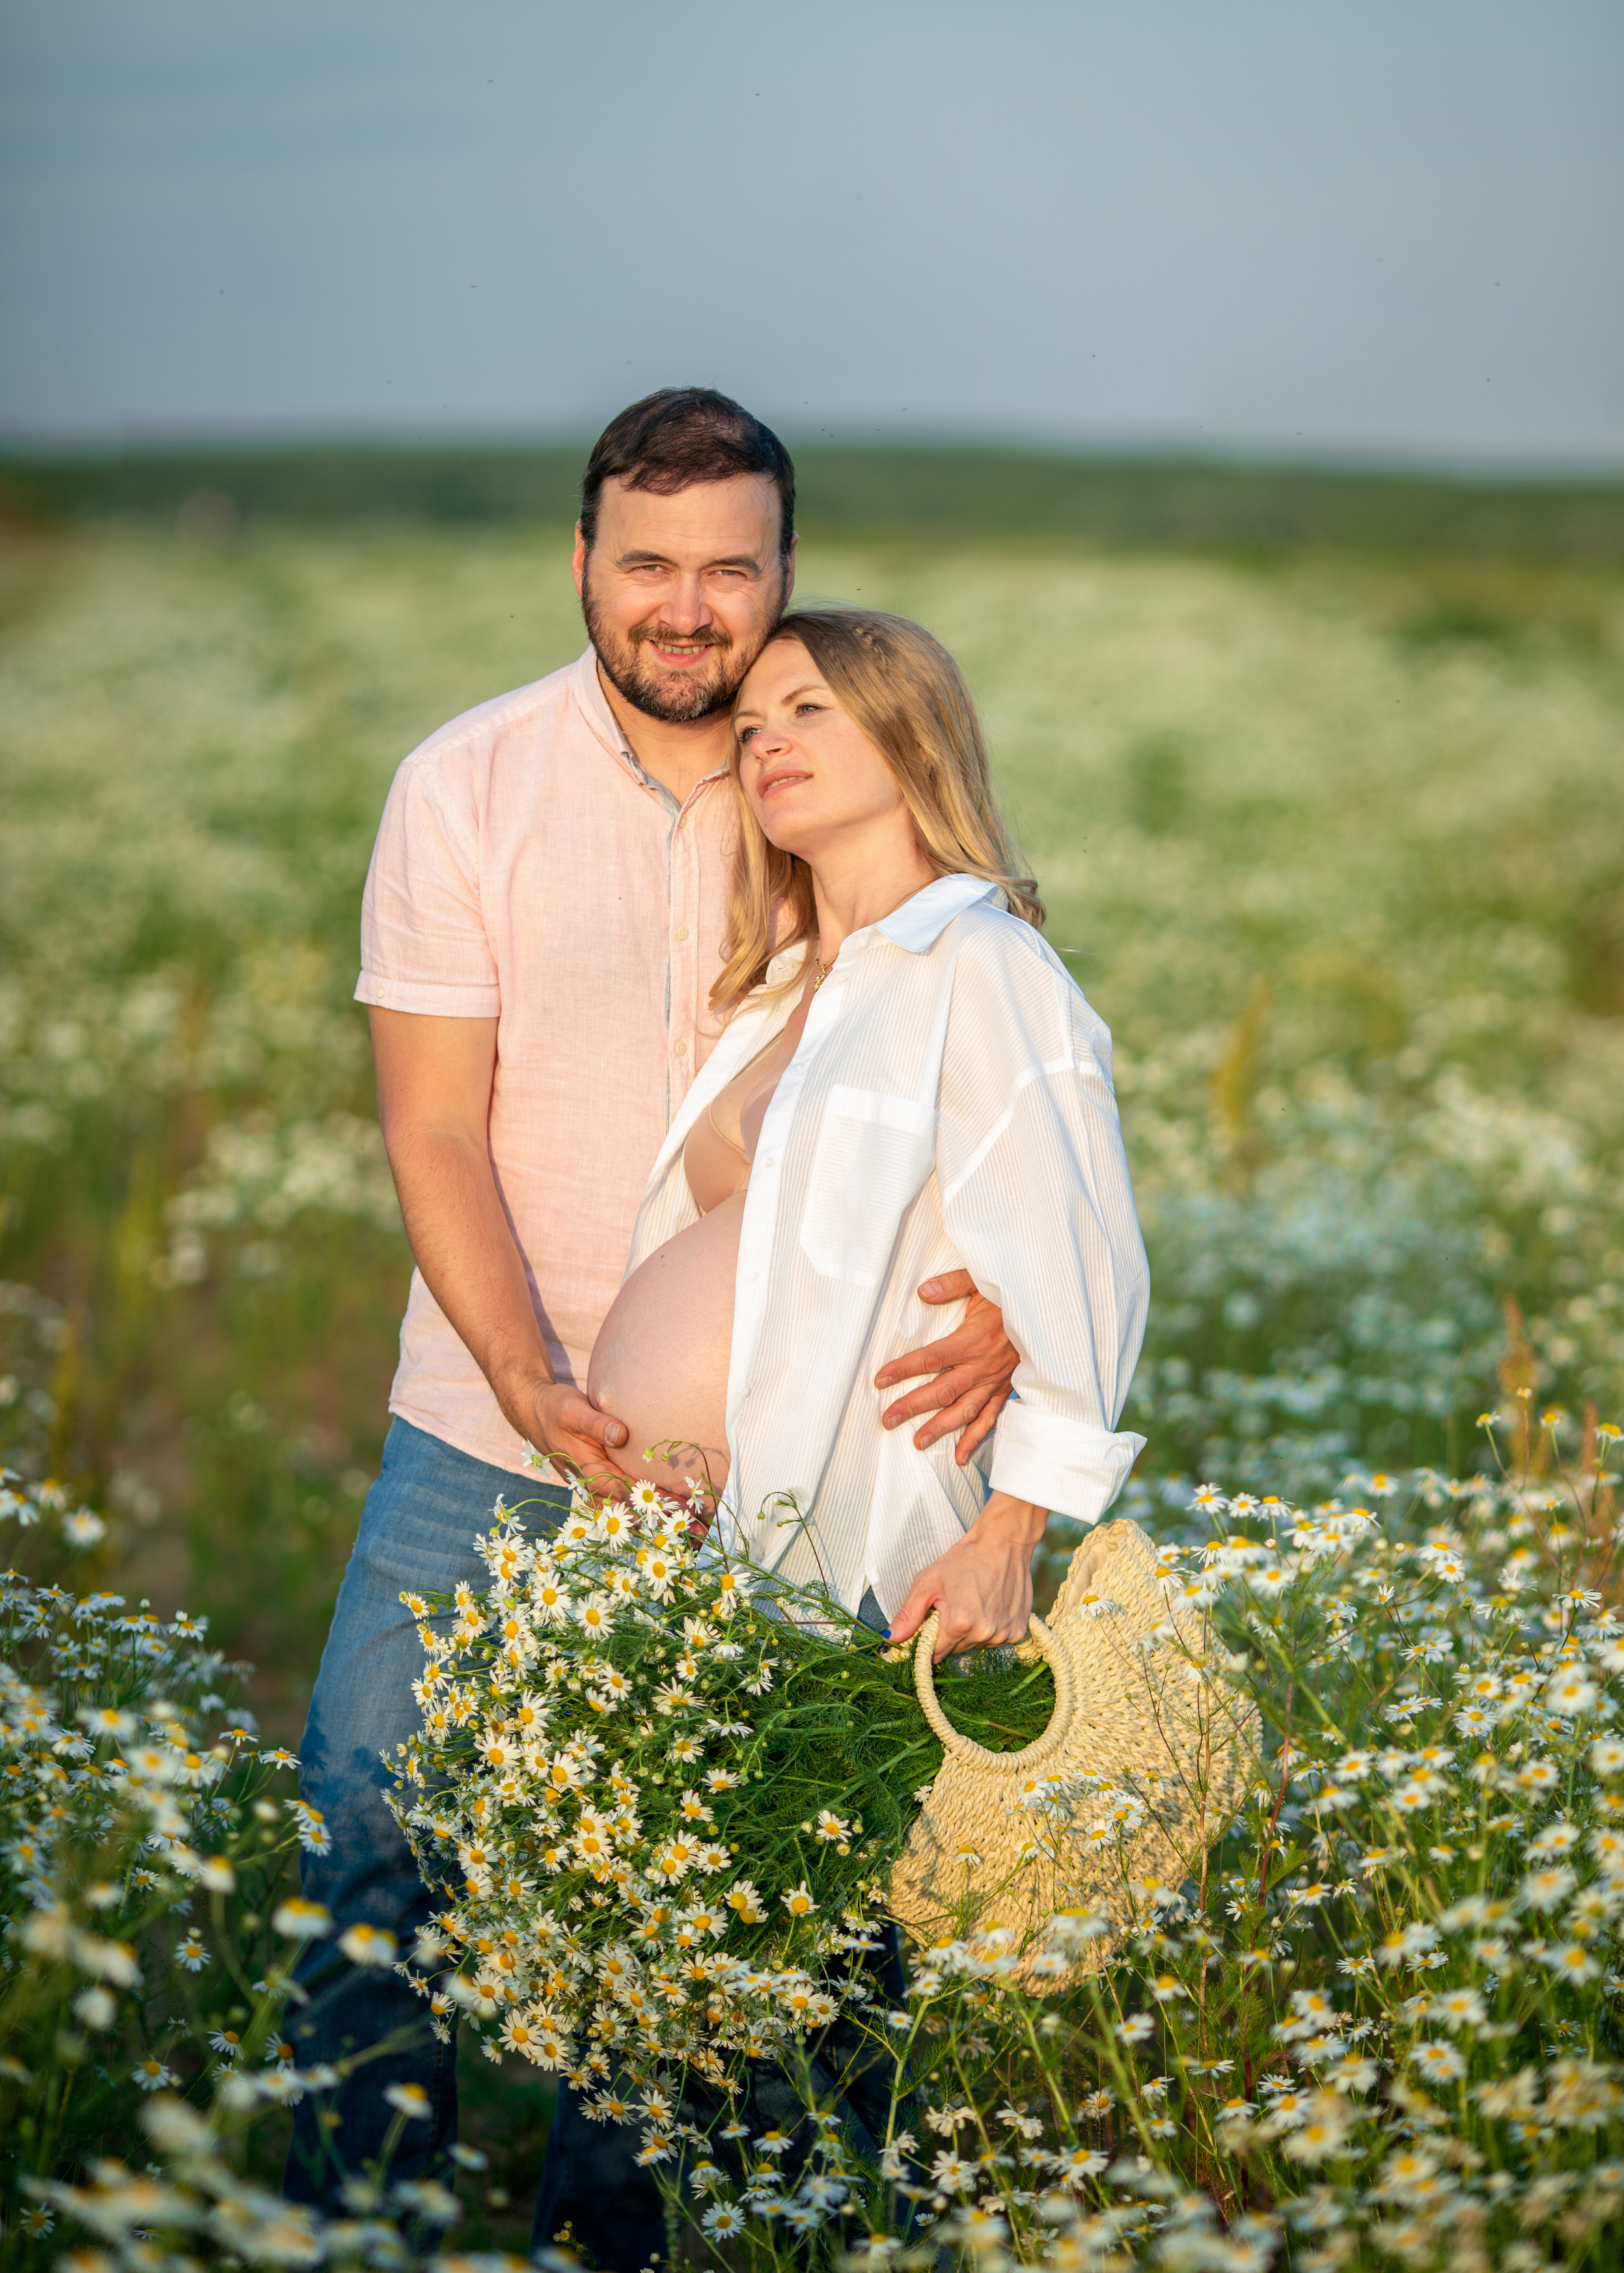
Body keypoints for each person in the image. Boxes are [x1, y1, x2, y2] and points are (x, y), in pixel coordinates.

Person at [282, 392, 1023, 2229]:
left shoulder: (829, 774)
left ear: (783, 571)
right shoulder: (469, 782)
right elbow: (433, 1127)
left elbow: (986, 1081)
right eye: (649, 565)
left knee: (721, 1914)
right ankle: (351, 2224)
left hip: (792, 1470)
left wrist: (1012, 1301)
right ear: (587, 566)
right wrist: (537, 1385)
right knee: (367, 1832)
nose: (687, 606)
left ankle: (611, 2240)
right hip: (495, 1426)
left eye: (730, 567)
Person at [589, 608, 1149, 1662]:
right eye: (749, 730)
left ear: (918, 743)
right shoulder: (783, 990)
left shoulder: (979, 961)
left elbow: (1081, 1264)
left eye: (808, 711)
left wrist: (1008, 1536)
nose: (767, 746)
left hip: (845, 1581)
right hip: (683, 1575)